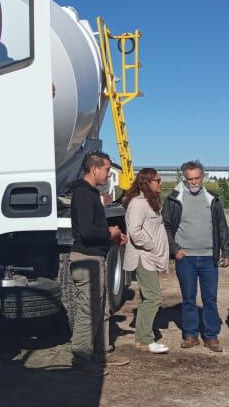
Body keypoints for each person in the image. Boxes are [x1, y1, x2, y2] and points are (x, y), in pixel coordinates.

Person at [69, 151, 130, 375]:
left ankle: (101, 352)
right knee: (88, 310)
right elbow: (86, 231)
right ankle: (82, 358)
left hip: (95, 257)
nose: (107, 175)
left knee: (101, 307)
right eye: (106, 170)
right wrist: (109, 232)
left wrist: (113, 235)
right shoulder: (83, 194)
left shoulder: (91, 193)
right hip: (86, 259)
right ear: (94, 169)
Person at [162, 161, 229, 352]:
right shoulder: (175, 198)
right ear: (184, 178)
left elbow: (221, 226)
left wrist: (226, 250)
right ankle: (190, 335)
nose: (193, 182)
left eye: (197, 178)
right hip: (186, 258)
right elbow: (165, 226)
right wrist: (175, 250)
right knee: (189, 298)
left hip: (209, 257)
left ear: (203, 177)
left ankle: (211, 336)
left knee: (210, 299)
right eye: (190, 178)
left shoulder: (212, 199)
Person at [122, 168, 171, 354]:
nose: (160, 183)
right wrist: (151, 245)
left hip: (149, 257)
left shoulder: (150, 202)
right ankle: (145, 339)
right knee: (153, 297)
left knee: (148, 297)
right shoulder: (138, 203)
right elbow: (135, 231)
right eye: (157, 180)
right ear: (147, 182)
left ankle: (142, 338)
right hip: (143, 257)